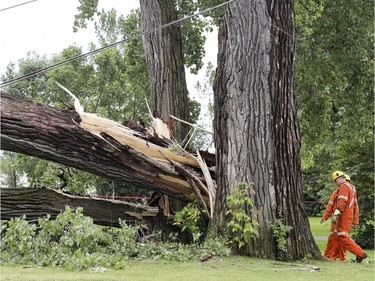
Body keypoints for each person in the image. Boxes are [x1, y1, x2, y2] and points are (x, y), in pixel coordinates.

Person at [331, 171, 367, 263]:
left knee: (343, 236)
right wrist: (355, 221)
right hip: (349, 216)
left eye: (335, 181)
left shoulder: (343, 186)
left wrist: (335, 215)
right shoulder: (352, 187)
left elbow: (342, 202)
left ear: (339, 179)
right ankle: (337, 256)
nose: (335, 184)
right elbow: (355, 205)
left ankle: (360, 254)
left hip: (344, 216)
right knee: (342, 236)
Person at [321, 173, 353, 261]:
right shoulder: (336, 192)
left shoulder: (349, 191)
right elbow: (330, 205)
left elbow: (354, 207)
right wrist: (327, 216)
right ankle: (330, 255)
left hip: (343, 219)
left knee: (342, 238)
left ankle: (340, 257)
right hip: (337, 218)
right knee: (333, 237)